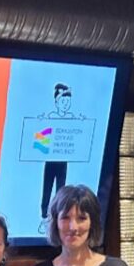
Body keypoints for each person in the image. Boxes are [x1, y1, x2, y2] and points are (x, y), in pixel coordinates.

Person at [39, 83, 84, 219]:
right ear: (56, 102)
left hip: (63, 161)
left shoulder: (72, 118)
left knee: (61, 190)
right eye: (63, 101)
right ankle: (44, 216)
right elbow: (41, 136)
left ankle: (58, 217)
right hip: (50, 160)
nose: (66, 104)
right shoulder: (50, 117)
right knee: (47, 188)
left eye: (68, 102)